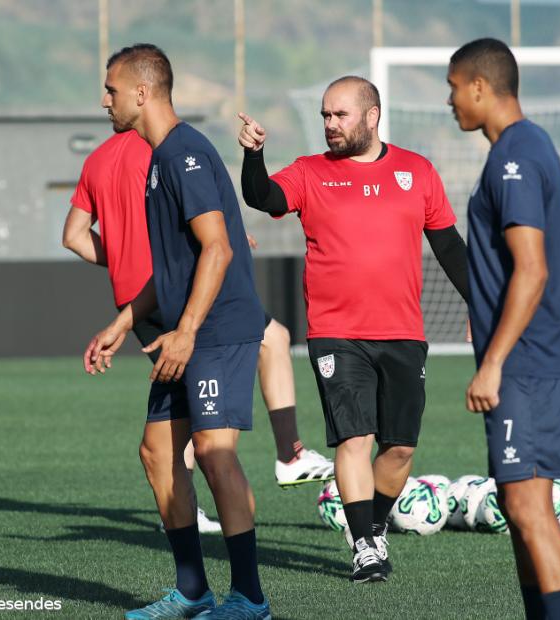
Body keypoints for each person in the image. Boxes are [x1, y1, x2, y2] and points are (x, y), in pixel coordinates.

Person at [236, 76, 470, 583]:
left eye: (339, 115)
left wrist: (482, 304)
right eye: (325, 116)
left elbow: (450, 246)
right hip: (336, 332)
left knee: (401, 447)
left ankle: (374, 525)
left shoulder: (418, 171)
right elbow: (263, 197)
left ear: (371, 115)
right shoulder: (309, 172)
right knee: (354, 437)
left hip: (404, 332)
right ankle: (365, 545)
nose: (329, 125)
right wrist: (254, 155)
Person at [84, 44, 270, 620]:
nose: (104, 100)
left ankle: (250, 599)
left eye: (111, 89)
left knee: (214, 452)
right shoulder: (157, 160)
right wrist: (123, 322)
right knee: (157, 453)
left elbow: (217, 248)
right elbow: (173, 269)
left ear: (142, 93)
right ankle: (193, 591)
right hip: (184, 329)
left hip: (215, 329)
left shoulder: (185, 154)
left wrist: (186, 331)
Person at [62, 129, 334, 511]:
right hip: (177, 286)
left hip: (133, 299)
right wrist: (224, 240)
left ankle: (183, 509)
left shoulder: (96, 160)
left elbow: (74, 236)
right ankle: (290, 455)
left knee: (181, 402)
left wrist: (126, 259)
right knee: (271, 339)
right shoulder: (169, 148)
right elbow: (199, 217)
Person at [447, 38, 560, 620]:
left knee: (528, 510)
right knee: (521, 504)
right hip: (535, 359)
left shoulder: (515, 156)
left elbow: (532, 268)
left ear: (480, 86)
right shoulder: (525, 146)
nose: (450, 100)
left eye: (453, 87)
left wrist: (494, 362)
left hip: (525, 363)